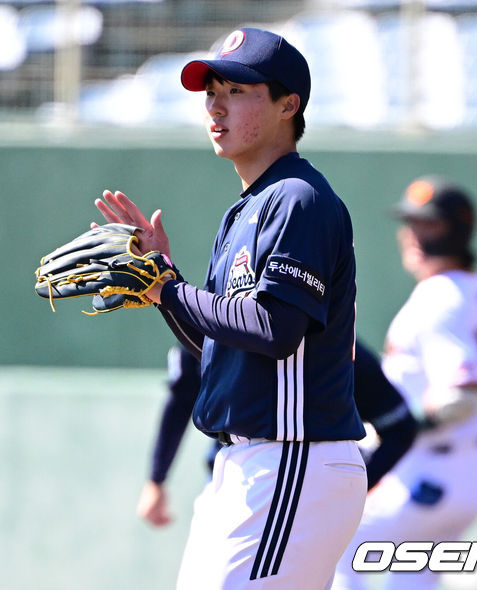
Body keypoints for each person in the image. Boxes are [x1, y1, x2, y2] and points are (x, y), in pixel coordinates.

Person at [94, 27, 368, 590]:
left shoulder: (298, 198)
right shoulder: (245, 210)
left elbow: (275, 329)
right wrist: (163, 280)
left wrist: (166, 289)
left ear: (288, 105)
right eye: (211, 92)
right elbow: (218, 348)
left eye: (237, 91)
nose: (215, 107)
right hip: (248, 464)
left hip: (293, 456)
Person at [331, 176, 477, 590]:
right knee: (415, 575)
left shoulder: (440, 296)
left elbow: (460, 396)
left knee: (334, 542)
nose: (413, 235)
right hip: (466, 472)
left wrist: (396, 426)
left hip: (425, 469)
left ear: (456, 231)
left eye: (428, 224)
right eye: (410, 223)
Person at [136, 340, 418, 527]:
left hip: (307, 496)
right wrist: (156, 479)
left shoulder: (338, 350)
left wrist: (354, 490)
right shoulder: (214, 323)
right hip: (230, 485)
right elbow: (181, 400)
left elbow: (401, 427)